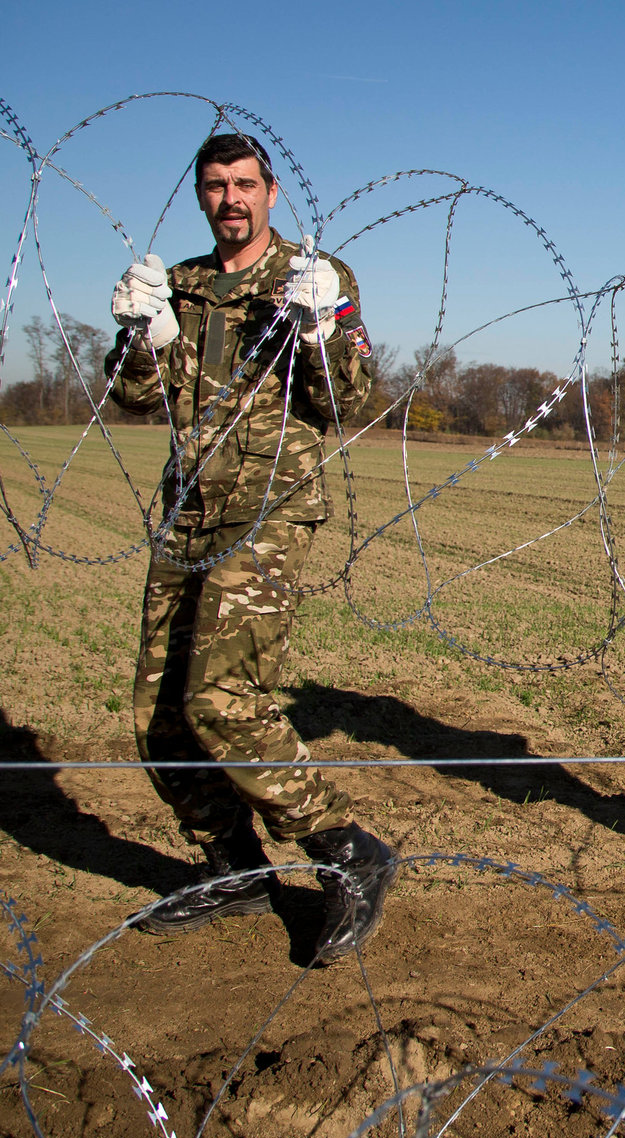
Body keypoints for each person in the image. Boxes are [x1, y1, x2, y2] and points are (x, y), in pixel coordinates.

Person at [104, 132, 394, 967]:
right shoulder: (187, 286)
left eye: (244, 184)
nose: (230, 199)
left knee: (223, 701)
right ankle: (231, 868)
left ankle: (347, 850)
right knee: (158, 713)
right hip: (188, 509)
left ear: (271, 191)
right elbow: (132, 398)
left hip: (270, 508)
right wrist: (139, 335)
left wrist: (322, 327)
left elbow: (347, 398)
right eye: (215, 186)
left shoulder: (310, 275)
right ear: (201, 196)